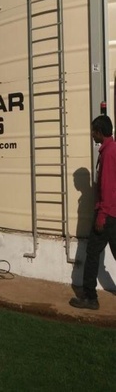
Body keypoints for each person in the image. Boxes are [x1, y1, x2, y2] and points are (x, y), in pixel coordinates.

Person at [70, 115, 116, 310]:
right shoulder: (111, 149)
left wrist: (102, 215)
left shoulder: (109, 153)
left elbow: (107, 187)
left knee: (91, 254)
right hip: (113, 213)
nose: (91, 135)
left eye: (93, 131)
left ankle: (90, 297)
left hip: (107, 214)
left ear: (100, 132)